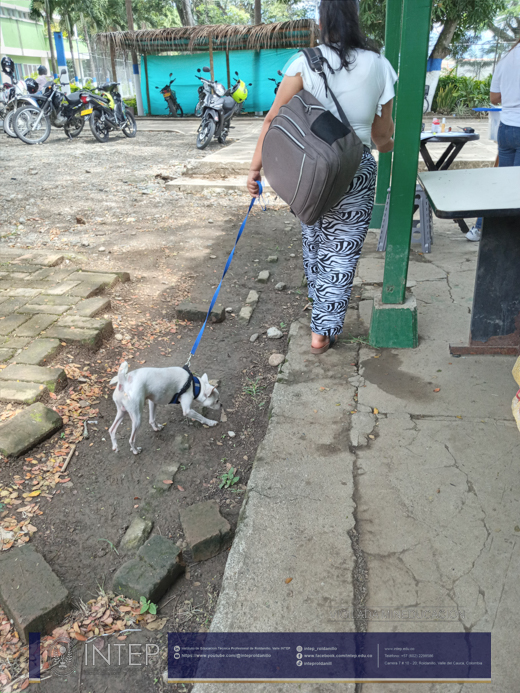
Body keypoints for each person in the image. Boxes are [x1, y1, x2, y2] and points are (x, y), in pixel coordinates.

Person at [247, 0, 396, 354]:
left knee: (314, 238)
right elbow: (381, 135)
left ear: (322, 19)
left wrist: (256, 168)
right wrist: (389, 145)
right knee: (340, 251)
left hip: (309, 167)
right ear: (355, 17)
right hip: (354, 169)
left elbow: (273, 119)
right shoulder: (381, 66)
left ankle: (320, 308)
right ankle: (321, 329)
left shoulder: (303, 63)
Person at [466, 37, 520, 242]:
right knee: (515, 189)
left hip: (506, 129)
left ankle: (481, 228)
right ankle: (507, 237)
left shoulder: (506, 58)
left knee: (502, 184)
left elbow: (494, 97)